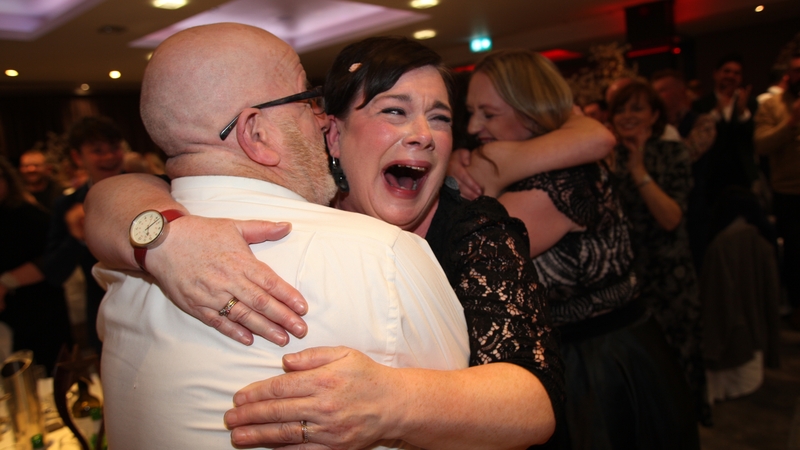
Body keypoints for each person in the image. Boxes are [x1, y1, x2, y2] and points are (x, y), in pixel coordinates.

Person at [84, 33, 616, 449]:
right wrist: (167, 237)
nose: (423, 135)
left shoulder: (477, 232)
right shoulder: (325, 226)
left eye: (440, 118)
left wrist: (391, 399)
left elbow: (535, 403)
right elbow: (116, 194)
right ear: (332, 135)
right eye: (393, 110)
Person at [451, 49, 699, 449]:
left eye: (489, 113)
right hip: (588, 356)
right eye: (471, 112)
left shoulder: (566, 181)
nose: (475, 125)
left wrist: (488, 164)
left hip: (601, 368)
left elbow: (462, 256)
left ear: (531, 111)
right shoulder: (549, 163)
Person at [608, 81, 710, 424]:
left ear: (654, 115)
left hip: (670, 273)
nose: (627, 116)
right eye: (621, 109)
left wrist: (639, 171)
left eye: (637, 108)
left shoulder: (673, 153)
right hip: (628, 275)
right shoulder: (606, 157)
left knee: (676, 359)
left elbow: (671, 218)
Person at [41, 116, 125, 355]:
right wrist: (77, 237)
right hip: (105, 316)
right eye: (98, 151)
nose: (109, 157)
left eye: (114, 148)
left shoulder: (157, 187)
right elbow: (54, 272)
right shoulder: (68, 205)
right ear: (78, 157)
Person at [0, 156, 72, 374]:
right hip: (11, 316)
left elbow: (52, 258)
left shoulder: (25, 213)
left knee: (44, 374)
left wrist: (5, 283)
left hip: (38, 312)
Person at [754, 51, 800, 329]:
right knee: (794, 254)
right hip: (788, 192)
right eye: (796, 70)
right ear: (788, 75)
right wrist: (791, 122)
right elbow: (761, 145)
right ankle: (796, 307)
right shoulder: (772, 106)